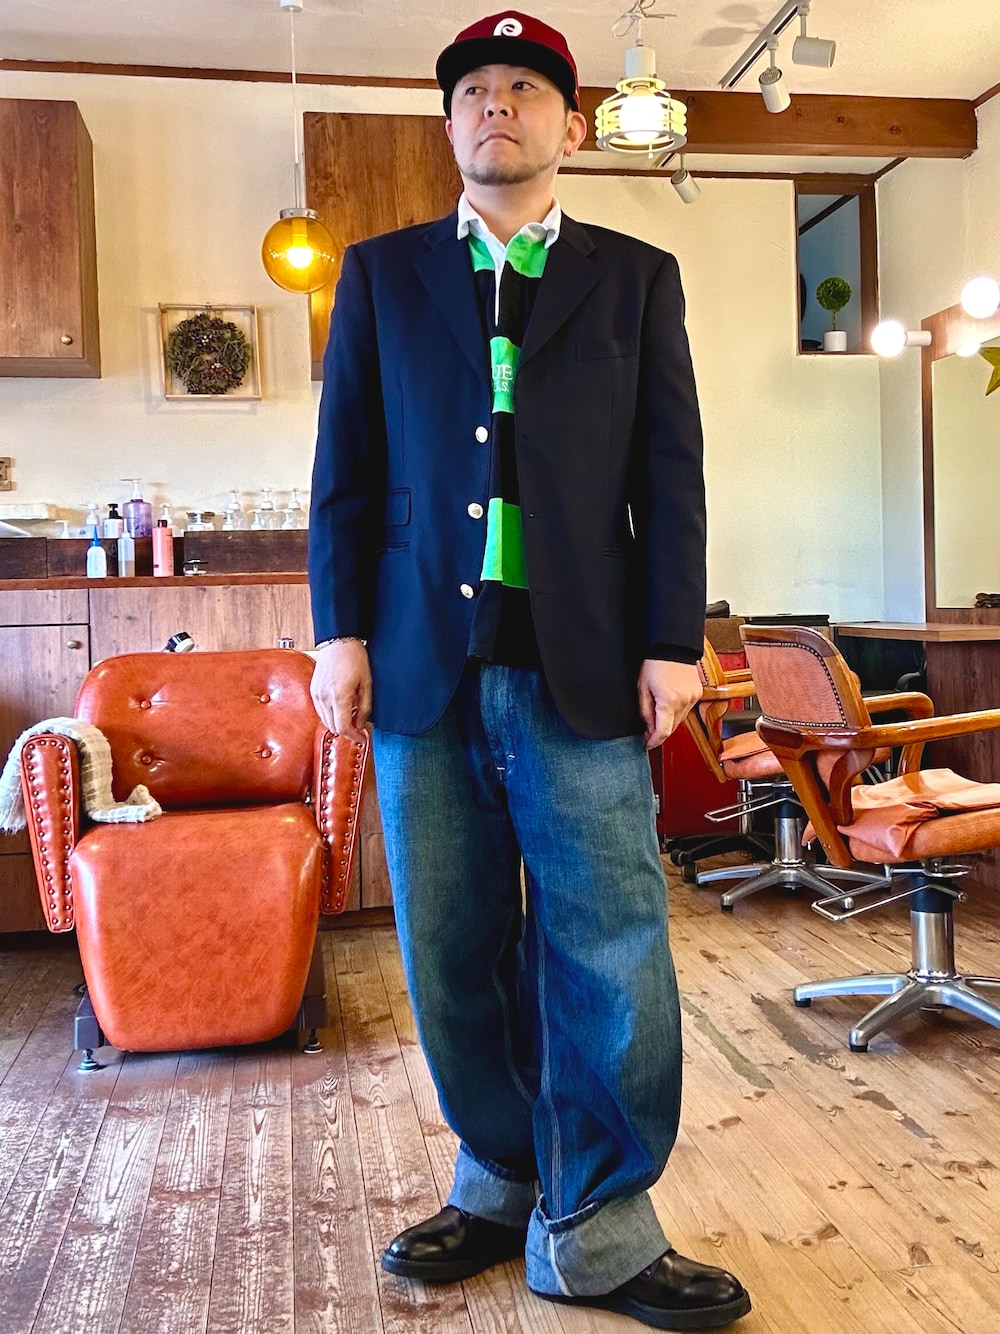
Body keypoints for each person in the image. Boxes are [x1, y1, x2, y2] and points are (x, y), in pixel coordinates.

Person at [308, 11, 751, 1329]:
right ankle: (501, 1178)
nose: (495, 104)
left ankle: (599, 1226)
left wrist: (672, 640)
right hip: (422, 667)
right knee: (451, 948)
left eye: (524, 87)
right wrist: (338, 633)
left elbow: (671, 470)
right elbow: (346, 471)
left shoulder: (636, 277)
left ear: (571, 122)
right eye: (473, 91)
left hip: (589, 667)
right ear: (450, 123)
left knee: (609, 947)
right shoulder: (381, 276)